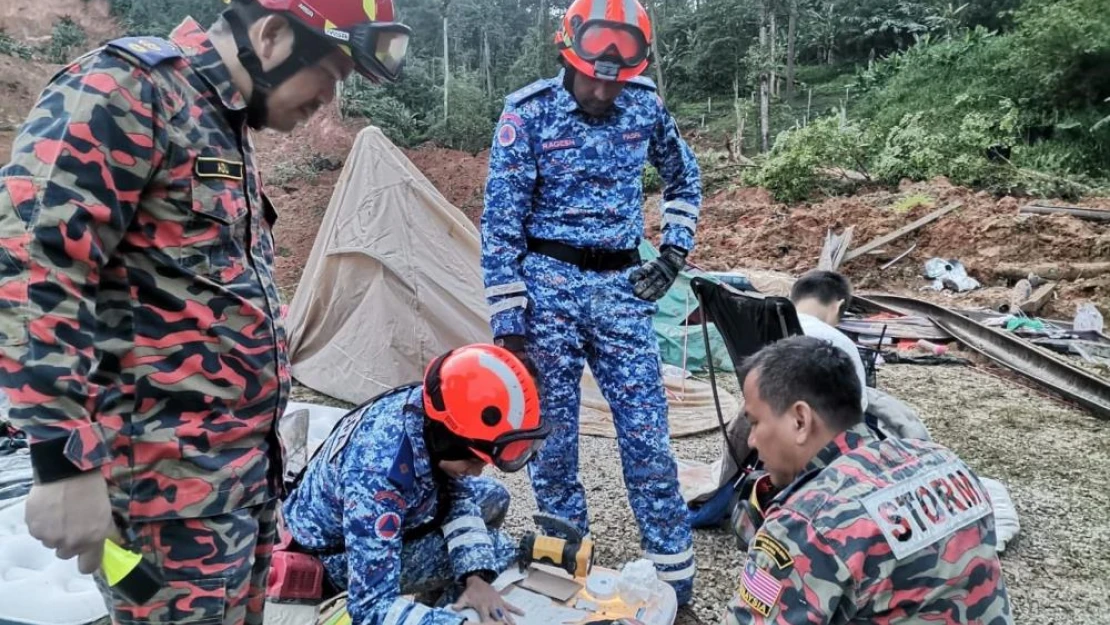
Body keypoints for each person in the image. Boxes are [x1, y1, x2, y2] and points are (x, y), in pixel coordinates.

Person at [0, 1, 411, 623]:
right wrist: (61, 462)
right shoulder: (129, 89)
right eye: (329, 74)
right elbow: (35, 260)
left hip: (235, 487)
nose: (328, 99)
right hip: (164, 499)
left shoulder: (221, 123)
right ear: (272, 35)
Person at [479, 0, 701, 604]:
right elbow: (500, 226)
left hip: (623, 289)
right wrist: (509, 322)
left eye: (618, 76)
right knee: (553, 443)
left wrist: (674, 252)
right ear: (568, 53)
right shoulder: (527, 115)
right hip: (548, 285)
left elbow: (684, 179)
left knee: (648, 434)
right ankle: (563, 572)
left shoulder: (645, 104)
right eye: (596, 72)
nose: (606, 85)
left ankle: (674, 579)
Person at [722, 336, 1013, 624]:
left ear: (800, 420)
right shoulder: (945, 462)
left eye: (756, 421)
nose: (751, 440)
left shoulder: (806, 522)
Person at [281, 344, 550, 625]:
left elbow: (455, 497)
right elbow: (370, 606)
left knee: (493, 498)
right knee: (498, 549)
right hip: (333, 558)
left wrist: (476, 575)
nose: (479, 471)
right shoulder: (377, 478)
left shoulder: (435, 414)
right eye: (474, 461)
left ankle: (449, 599)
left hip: (366, 518)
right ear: (450, 442)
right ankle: (451, 613)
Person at [789, 270, 869, 411]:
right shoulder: (836, 341)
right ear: (837, 306)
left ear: (793, 298)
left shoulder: (765, 326)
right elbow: (858, 406)